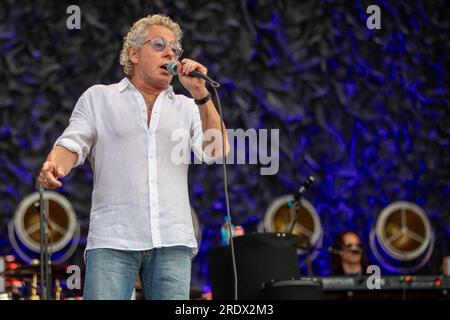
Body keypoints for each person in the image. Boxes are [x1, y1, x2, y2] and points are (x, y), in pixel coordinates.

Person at [38, 14, 229, 300]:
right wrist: (55, 164)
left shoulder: (189, 106)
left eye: (176, 49)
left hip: (172, 239)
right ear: (133, 52)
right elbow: (71, 143)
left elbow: (217, 151)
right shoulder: (100, 98)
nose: (170, 52)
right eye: (159, 44)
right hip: (114, 237)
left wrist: (201, 94)